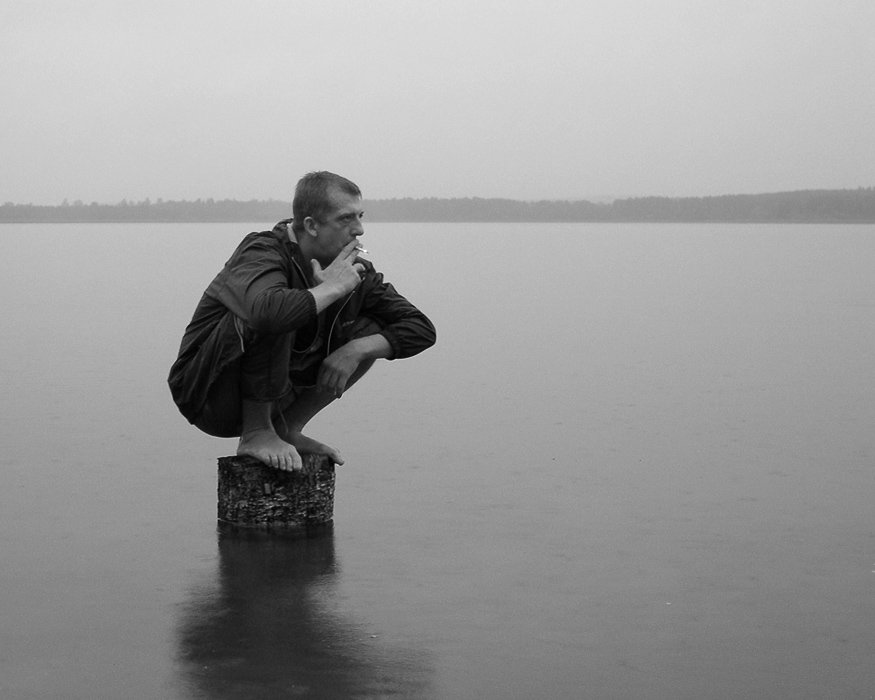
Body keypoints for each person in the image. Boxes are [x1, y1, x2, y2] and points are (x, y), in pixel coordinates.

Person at [168, 171, 436, 471]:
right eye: (345, 219)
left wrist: (355, 350)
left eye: (360, 216)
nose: (359, 229)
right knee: (278, 309)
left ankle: (287, 429)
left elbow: (421, 329)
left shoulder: (355, 271)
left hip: (279, 396)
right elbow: (266, 313)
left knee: (372, 332)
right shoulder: (262, 250)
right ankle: (256, 432)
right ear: (311, 225)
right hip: (208, 394)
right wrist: (331, 289)